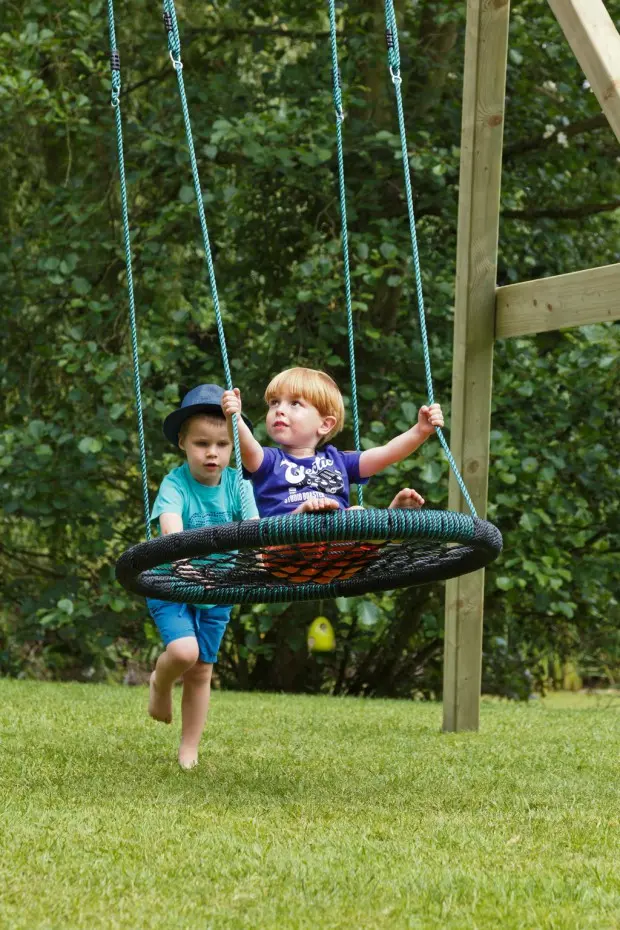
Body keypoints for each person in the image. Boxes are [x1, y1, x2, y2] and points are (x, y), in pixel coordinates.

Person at [146, 383, 258, 770]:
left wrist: (261, 561)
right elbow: (170, 525)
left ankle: (189, 749)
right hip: (172, 583)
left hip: (217, 589)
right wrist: (182, 561)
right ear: (182, 443)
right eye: (201, 443)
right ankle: (160, 683)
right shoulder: (175, 484)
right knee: (184, 653)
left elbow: (255, 530)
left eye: (222, 444)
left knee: (202, 670)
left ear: (234, 447)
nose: (212, 452)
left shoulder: (239, 485)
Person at [220, 367, 443, 516]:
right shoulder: (269, 460)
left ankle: (390, 521)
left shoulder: (339, 461)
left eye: (294, 403)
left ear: (325, 424)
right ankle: (305, 517)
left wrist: (420, 432)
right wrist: (234, 418)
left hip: (336, 551)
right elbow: (245, 446)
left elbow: (386, 453)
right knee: (341, 516)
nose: (279, 410)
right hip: (284, 547)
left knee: (357, 514)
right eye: (274, 403)